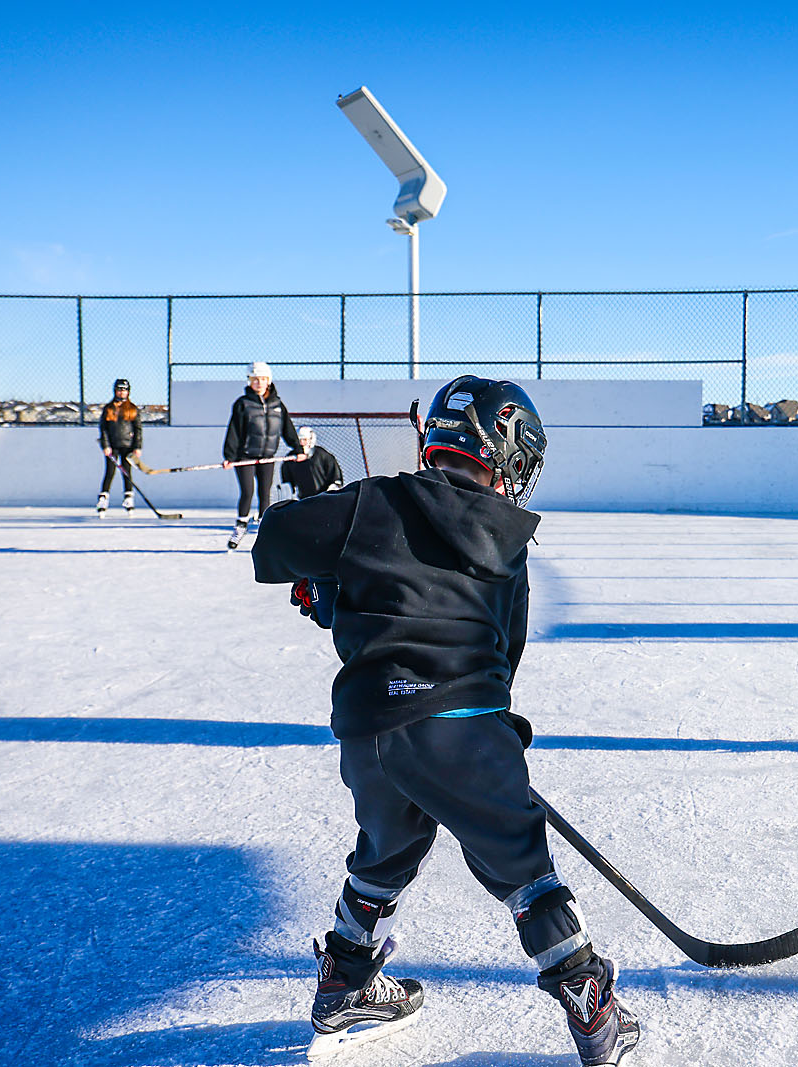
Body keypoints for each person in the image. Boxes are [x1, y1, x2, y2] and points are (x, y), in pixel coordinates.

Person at [249, 375, 640, 1065]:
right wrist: (488, 742)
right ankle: (590, 1002)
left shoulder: (374, 502)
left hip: (370, 731)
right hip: (461, 725)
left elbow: (279, 536)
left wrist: (325, 582)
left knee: (386, 850)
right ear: (510, 457)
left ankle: (345, 979)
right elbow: (500, 657)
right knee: (522, 866)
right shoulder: (509, 543)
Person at [222, 361, 302, 549]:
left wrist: (297, 449)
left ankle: (265, 529)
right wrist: (229, 455)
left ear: (269, 381)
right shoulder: (243, 404)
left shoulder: (277, 404)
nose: (259, 383)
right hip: (245, 456)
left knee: (265, 493)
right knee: (247, 492)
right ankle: (240, 527)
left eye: (263, 379)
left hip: (268, 457)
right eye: (255, 379)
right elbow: (234, 431)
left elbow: (287, 429)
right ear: (249, 381)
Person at [96, 378, 142, 517]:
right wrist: (106, 445)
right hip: (113, 446)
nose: (122, 392)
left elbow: (138, 429)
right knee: (110, 472)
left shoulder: (133, 408)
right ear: (115, 390)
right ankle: (103, 499)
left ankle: (128, 498)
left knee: (127, 472)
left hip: (127, 446)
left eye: (125, 390)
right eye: (120, 389)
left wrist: (137, 447)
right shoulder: (109, 408)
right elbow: (103, 428)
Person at [280, 426, 345, 499]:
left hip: (323, 498)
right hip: (303, 500)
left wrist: (331, 491)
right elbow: (287, 482)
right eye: (299, 440)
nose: (302, 443)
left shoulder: (322, 455)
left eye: (304, 440)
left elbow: (335, 476)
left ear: (311, 439)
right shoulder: (291, 459)